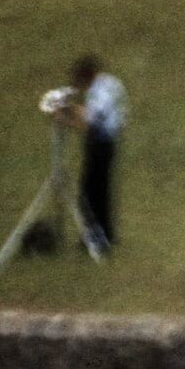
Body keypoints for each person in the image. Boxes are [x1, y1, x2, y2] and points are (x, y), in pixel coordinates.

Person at [58, 55, 128, 252]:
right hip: (107, 142)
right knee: (101, 192)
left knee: (88, 195)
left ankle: (96, 238)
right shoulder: (111, 83)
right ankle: (105, 235)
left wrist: (67, 114)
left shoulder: (100, 90)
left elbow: (91, 120)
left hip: (101, 143)